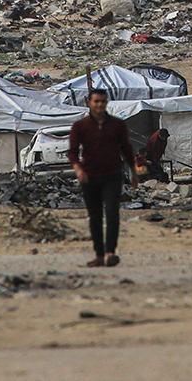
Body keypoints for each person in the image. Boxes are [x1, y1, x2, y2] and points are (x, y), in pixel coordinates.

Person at [67, 87, 138, 267]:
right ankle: (98, 254)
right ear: (89, 103)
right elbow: (73, 152)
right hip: (89, 177)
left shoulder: (117, 125)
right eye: (96, 101)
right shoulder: (80, 126)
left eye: (103, 101)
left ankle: (110, 252)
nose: (100, 105)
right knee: (95, 216)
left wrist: (133, 171)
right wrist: (78, 169)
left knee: (113, 213)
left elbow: (127, 149)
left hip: (112, 175)